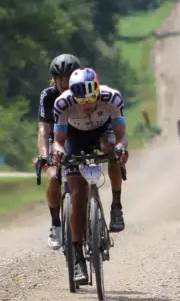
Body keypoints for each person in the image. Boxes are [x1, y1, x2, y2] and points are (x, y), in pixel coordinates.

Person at [52, 67, 129, 284]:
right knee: (78, 193)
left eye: (91, 99)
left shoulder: (112, 97)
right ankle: (77, 258)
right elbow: (58, 139)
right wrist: (58, 151)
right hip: (74, 137)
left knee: (113, 150)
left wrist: (121, 148)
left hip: (103, 132)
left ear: (98, 92)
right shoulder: (63, 103)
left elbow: (122, 135)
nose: (86, 105)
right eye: (81, 101)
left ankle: (116, 206)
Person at [33, 54, 82, 250]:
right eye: (60, 78)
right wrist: (44, 155)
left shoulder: (83, 91)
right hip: (56, 141)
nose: (64, 82)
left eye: (68, 78)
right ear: (54, 79)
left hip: (79, 138)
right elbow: (44, 129)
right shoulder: (48, 95)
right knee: (54, 178)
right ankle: (55, 223)